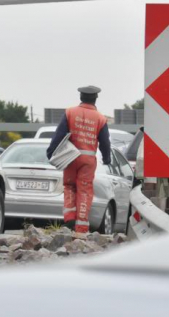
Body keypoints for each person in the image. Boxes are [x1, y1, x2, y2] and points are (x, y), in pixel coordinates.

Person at [45, 86, 111, 233]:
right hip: (87, 161)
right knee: (85, 190)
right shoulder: (100, 118)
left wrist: (51, 152)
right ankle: (81, 227)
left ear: (81, 97)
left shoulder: (70, 113)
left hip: (70, 157)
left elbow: (59, 135)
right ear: (95, 99)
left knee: (69, 186)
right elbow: (105, 142)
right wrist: (107, 159)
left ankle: (69, 219)